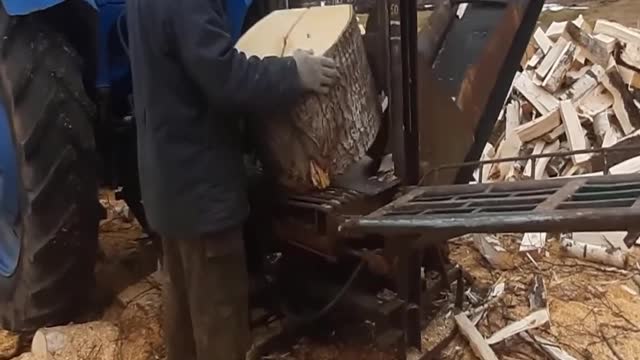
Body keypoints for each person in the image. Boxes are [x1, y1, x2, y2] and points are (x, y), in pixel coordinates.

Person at [125, 0, 339, 359]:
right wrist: (293, 73)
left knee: (185, 316)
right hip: (201, 189)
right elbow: (225, 78)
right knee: (219, 323)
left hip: (169, 182)